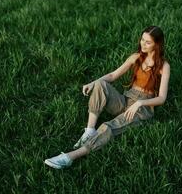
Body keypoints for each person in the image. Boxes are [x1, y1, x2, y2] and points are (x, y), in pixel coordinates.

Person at [44, 25, 170, 169]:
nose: (143, 44)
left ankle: (69, 157)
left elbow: (162, 98)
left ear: (157, 44)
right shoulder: (136, 57)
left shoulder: (164, 66)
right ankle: (90, 131)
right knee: (100, 84)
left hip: (142, 109)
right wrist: (93, 83)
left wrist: (140, 103)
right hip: (126, 100)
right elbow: (112, 75)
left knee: (108, 126)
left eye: (148, 42)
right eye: (142, 39)